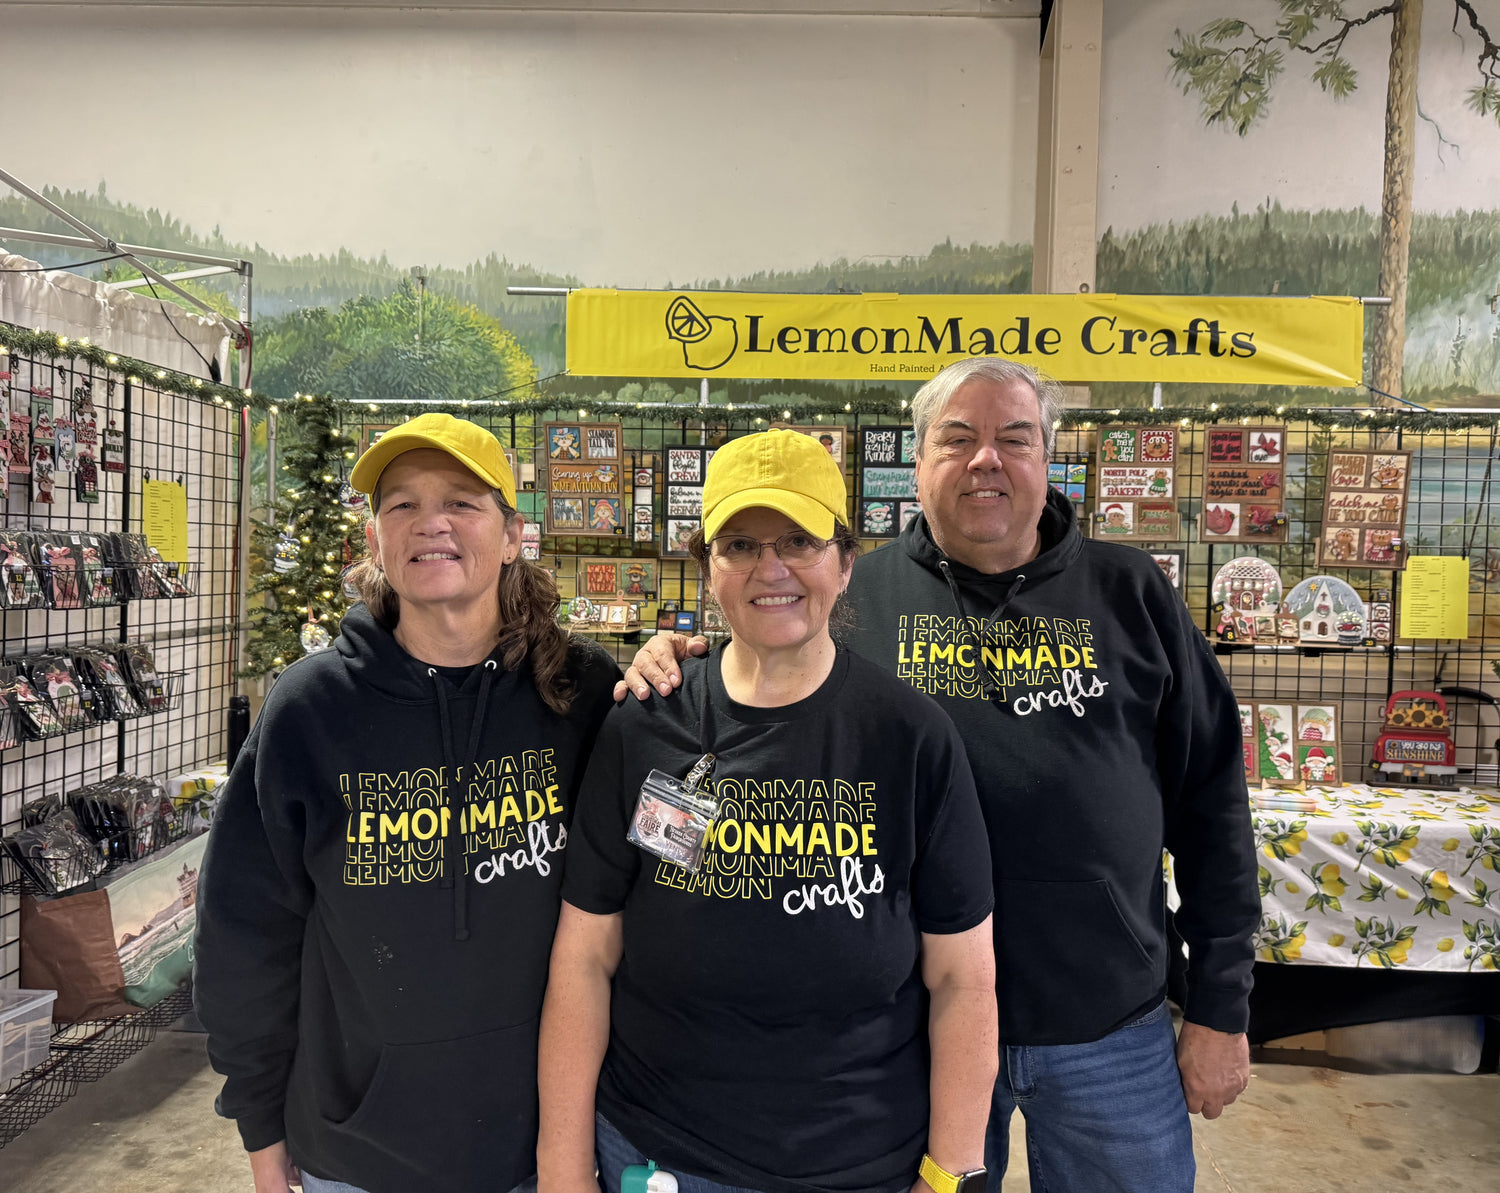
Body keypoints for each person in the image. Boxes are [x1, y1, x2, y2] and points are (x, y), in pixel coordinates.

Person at [622, 359, 1261, 1193]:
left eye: (1014, 439)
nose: (985, 459)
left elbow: (1213, 804)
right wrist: (672, 660)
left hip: (1108, 1023)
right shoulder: (852, 593)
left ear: (1048, 460)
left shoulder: (1133, 594)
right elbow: (762, 661)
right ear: (917, 462)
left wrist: (1221, 1003)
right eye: (957, 439)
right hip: (918, 1031)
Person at [540, 428, 997, 1193]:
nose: (771, 567)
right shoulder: (646, 723)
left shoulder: (911, 738)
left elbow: (964, 979)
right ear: (707, 568)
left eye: (799, 541)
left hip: (862, 1165)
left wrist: (948, 1173)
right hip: (660, 1156)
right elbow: (586, 956)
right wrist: (562, 1169)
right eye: (741, 545)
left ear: (845, 563)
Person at [195, 413, 619, 1193]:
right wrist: (259, 1124)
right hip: (354, 1158)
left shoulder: (583, 694)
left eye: (461, 501)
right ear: (375, 539)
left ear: (512, 534)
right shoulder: (309, 709)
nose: (432, 522)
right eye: (403, 504)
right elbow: (244, 936)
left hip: (546, 1154)